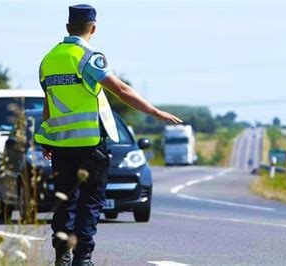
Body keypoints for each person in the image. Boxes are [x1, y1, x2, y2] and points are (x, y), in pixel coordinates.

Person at [34, 4, 182, 266]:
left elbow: (49, 104)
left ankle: (62, 256)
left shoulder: (48, 60)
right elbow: (122, 90)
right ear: (93, 27)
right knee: (90, 200)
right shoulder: (88, 57)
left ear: (68, 27)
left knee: (64, 200)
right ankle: (82, 257)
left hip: (61, 146)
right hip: (90, 144)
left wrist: (48, 139)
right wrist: (155, 112)